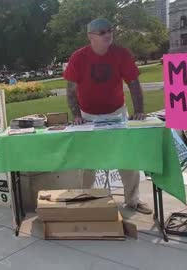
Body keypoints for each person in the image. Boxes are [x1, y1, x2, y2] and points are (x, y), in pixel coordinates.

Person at [63, 18, 152, 214]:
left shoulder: (121, 54)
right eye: (101, 32)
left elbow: (134, 84)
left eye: (109, 30)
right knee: (88, 162)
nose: (107, 34)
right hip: (88, 116)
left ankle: (133, 200)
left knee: (127, 158)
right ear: (90, 36)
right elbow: (71, 90)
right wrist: (76, 115)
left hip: (117, 113)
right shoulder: (79, 57)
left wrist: (138, 110)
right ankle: (85, 198)